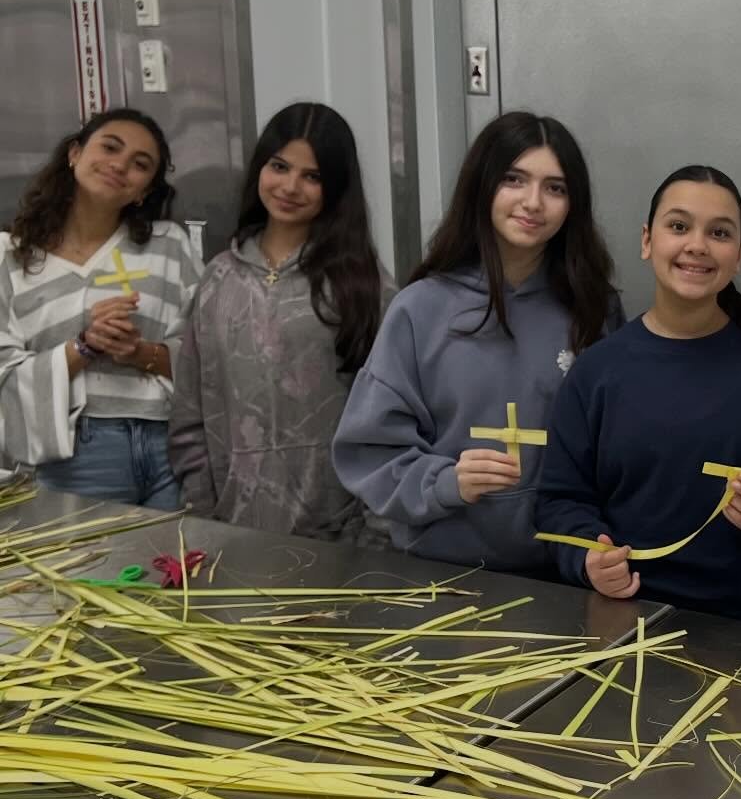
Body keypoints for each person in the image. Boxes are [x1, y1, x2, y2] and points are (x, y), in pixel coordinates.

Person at [535, 165, 741, 625]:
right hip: (627, 619)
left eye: (719, 232)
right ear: (648, 240)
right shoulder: (598, 370)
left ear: (739, 254)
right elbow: (558, 500)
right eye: (679, 226)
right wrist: (589, 557)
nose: (697, 245)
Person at [332, 112, 619, 571]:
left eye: (555, 188)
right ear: (482, 186)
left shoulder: (594, 311)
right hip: (440, 575)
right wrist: (447, 482)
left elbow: (614, 447)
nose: (533, 202)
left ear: (573, 205)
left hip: (564, 576)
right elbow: (369, 450)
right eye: (514, 179)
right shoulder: (420, 309)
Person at [168, 103, 390, 540]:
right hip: (232, 532)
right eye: (280, 166)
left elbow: (387, 420)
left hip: (339, 537)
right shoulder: (217, 279)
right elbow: (190, 411)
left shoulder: (363, 285)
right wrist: (203, 513)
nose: (291, 186)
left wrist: (370, 535)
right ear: (259, 169)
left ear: (336, 188)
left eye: (313, 176)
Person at [0, 108, 199, 507]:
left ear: (144, 190)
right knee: (95, 569)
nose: (119, 165)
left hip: (169, 447)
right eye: (110, 147)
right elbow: (4, 375)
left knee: (178, 567)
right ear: (74, 153)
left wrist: (140, 353)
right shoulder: (13, 258)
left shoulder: (169, 246)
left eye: (140, 164)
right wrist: (84, 347)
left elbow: (207, 358)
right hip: (75, 454)